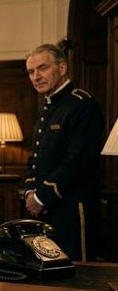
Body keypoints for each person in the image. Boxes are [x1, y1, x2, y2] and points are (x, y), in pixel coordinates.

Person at [24, 43, 104, 261]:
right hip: (45, 208)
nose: (36, 76)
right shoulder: (47, 106)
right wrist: (30, 191)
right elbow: (35, 157)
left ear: (62, 68)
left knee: (74, 276)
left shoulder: (81, 104)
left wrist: (41, 197)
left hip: (71, 208)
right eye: (31, 72)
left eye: (42, 68)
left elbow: (77, 162)